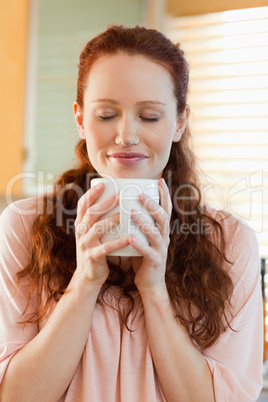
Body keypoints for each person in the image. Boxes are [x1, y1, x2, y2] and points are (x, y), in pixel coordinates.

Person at [0, 25, 263, 402]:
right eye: (106, 115)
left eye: (150, 117)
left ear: (180, 122)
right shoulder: (23, 227)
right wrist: (85, 283)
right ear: (80, 118)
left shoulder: (231, 241)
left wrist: (154, 291)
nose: (125, 135)